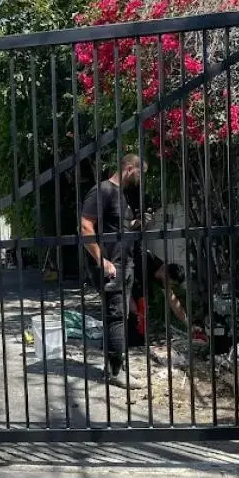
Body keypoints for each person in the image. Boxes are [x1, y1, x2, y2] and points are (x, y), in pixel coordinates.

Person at [80, 153, 147, 389]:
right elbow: (86, 226)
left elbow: (115, 227)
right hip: (111, 266)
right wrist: (102, 260)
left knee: (119, 316)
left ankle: (116, 365)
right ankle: (117, 371)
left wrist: (134, 225)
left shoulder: (121, 195)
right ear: (129, 169)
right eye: (139, 173)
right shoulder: (103, 190)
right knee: (116, 316)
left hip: (124, 263)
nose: (140, 179)